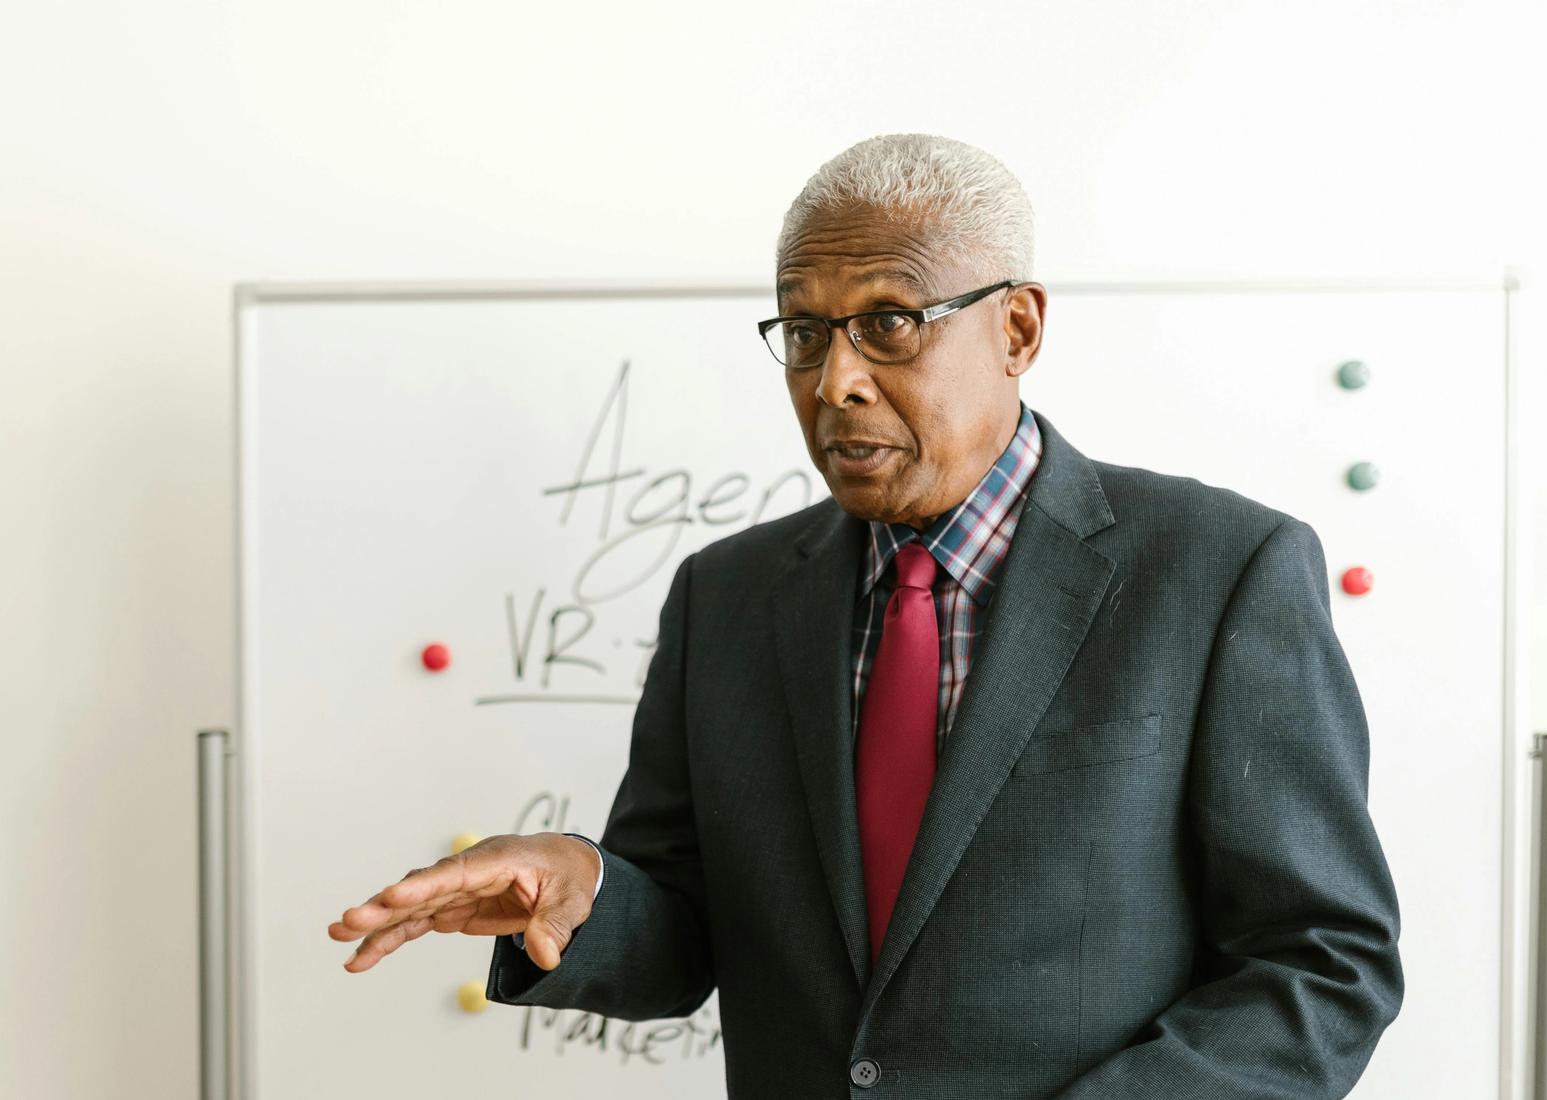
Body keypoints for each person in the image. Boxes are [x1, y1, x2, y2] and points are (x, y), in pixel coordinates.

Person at [329, 132, 1404, 1098]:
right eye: (805, 331)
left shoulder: (1220, 570)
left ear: (1018, 327)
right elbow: (686, 929)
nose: (835, 379)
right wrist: (579, 889)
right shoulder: (726, 596)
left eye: (889, 323)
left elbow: (1323, 963)